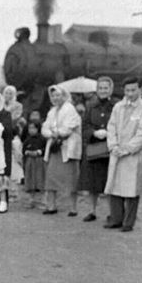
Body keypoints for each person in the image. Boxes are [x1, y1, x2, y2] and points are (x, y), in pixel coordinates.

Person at [103, 76, 142, 232]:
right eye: (127, 90)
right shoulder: (118, 107)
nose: (130, 93)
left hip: (134, 154)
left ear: (140, 89)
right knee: (115, 185)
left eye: (133, 90)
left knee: (132, 188)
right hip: (116, 152)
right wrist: (113, 146)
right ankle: (115, 219)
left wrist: (127, 149)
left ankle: (129, 222)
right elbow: (111, 127)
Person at [41, 85, 82, 216]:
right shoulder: (51, 111)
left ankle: (73, 208)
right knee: (51, 176)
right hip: (55, 147)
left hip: (67, 147)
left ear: (64, 95)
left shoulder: (70, 109)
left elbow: (69, 128)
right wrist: (51, 134)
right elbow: (45, 128)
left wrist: (56, 133)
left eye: (58, 95)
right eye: (53, 96)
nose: (55, 98)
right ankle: (51, 206)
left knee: (70, 178)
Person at [80, 76, 115, 222]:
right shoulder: (90, 106)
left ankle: (111, 212)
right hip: (94, 147)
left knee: (108, 182)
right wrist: (94, 133)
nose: (103, 91)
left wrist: (109, 132)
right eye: (100, 88)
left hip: (110, 148)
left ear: (110, 89)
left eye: (105, 88)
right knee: (92, 182)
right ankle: (92, 211)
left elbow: (119, 125)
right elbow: (85, 125)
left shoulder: (116, 106)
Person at [22, 121, 46, 208]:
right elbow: (23, 149)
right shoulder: (27, 139)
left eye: (34, 128)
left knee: (40, 180)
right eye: (30, 128)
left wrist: (39, 152)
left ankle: (42, 201)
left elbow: (45, 149)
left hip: (39, 161)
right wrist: (27, 152)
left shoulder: (42, 139)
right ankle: (31, 200)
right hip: (29, 161)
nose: (31, 130)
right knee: (30, 180)